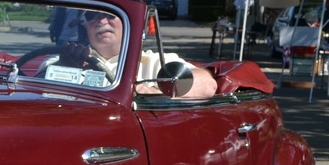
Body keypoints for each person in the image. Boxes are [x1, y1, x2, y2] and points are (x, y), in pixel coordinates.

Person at [52, 8, 218, 99]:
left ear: (129, 22)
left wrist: (156, 94)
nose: (101, 21)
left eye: (111, 14)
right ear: (84, 25)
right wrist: (65, 69)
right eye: (92, 15)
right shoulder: (61, 60)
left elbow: (207, 85)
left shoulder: (152, 62)